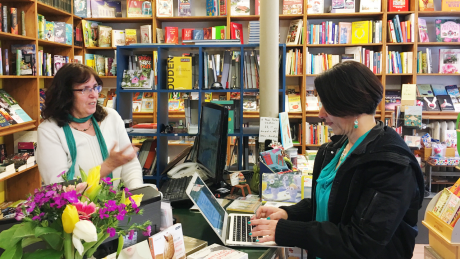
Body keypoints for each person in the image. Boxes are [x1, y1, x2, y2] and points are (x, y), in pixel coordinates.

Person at [249, 61, 424, 259]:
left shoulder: (391, 166)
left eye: (327, 105)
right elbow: (333, 202)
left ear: (350, 104)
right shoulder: (337, 148)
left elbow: (361, 242)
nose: (320, 114)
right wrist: (289, 213)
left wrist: (286, 230)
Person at [37, 63, 144, 190]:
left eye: (95, 87)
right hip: (76, 208)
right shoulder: (49, 130)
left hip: (114, 207)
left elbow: (130, 166)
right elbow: (59, 189)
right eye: (85, 89)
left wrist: (138, 195)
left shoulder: (111, 117)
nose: (94, 94)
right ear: (66, 95)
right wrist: (107, 167)